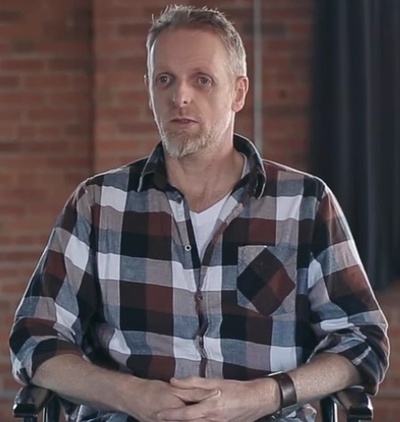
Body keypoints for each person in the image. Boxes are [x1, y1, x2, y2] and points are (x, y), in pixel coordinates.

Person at [9, 4, 389, 422]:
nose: (181, 97)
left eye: (202, 79)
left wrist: (264, 395)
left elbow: (361, 338)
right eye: (165, 79)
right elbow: (34, 336)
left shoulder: (305, 203)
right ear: (149, 90)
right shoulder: (98, 204)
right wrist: (130, 394)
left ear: (238, 93)